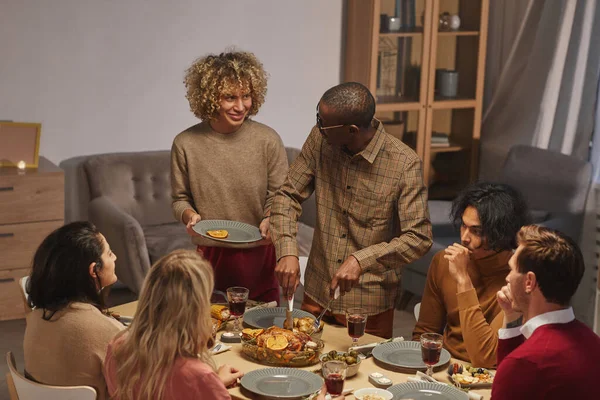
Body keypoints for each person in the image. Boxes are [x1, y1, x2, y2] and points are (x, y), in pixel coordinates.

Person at [270, 82, 432, 338]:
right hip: (316, 291)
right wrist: (287, 250)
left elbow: (419, 238)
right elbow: (287, 196)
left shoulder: (404, 164)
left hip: (368, 305)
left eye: (324, 123)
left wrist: (362, 259)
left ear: (352, 130)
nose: (318, 127)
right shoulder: (319, 140)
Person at [171, 50, 288, 304]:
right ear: (209, 98)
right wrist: (189, 216)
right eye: (229, 97)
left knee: (265, 334)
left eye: (246, 96)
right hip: (211, 254)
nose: (240, 106)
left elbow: (279, 196)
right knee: (211, 333)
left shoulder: (268, 140)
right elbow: (180, 199)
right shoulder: (185, 143)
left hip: (260, 253)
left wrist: (270, 218)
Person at [413, 182, 530, 368]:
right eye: (463, 226)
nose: (465, 238)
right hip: (443, 366)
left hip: (488, 373)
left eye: (476, 231)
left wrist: (462, 280)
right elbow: (425, 331)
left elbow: (488, 356)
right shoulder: (444, 261)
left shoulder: (516, 279)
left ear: (501, 234)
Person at [104, 250, 243, 399]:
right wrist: (212, 386)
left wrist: (215, 384)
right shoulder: (199, 376)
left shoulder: (117, 348)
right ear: (196, 308)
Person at [491, 225, 600, 399]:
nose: (508, 277)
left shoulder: (526, 363)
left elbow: (515, 370)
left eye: (512, 269)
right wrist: (511, 316)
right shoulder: (594, 344)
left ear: (529, 281)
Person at [24, 221, 124, 400]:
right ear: (94, 270)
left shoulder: (35, 317)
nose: (115, 257)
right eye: (109, 253)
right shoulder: (109, 333)